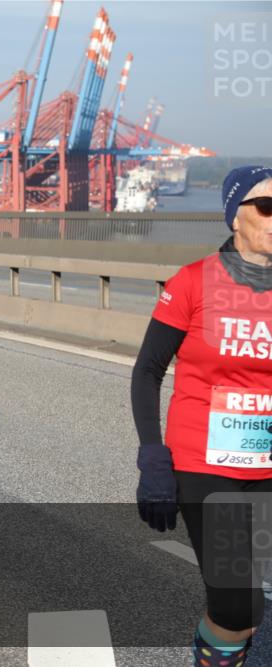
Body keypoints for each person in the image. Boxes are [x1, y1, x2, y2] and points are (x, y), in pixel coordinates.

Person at [131, 165, 272, 667]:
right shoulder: (194, 282)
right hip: (205, 463)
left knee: (248, 606)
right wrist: (153, 456)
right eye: (267, 207)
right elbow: (147, 371)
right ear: (236, 216)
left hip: (267, 467)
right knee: (237, 606)